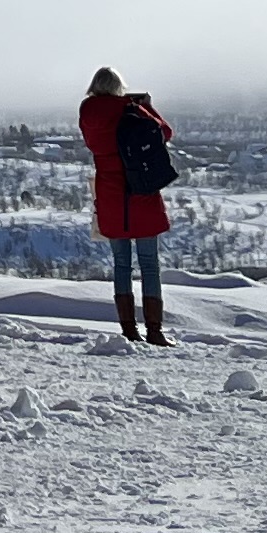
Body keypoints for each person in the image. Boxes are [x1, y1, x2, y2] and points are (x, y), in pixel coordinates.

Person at [79, 66, 175, 346]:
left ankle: (128, 330)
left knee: (121, 264)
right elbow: (164, 133)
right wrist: (148, 107)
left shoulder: (87, 113)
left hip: (110, 195)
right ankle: (154, 331)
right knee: (149, 265)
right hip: (139, 191)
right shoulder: (130, 109)